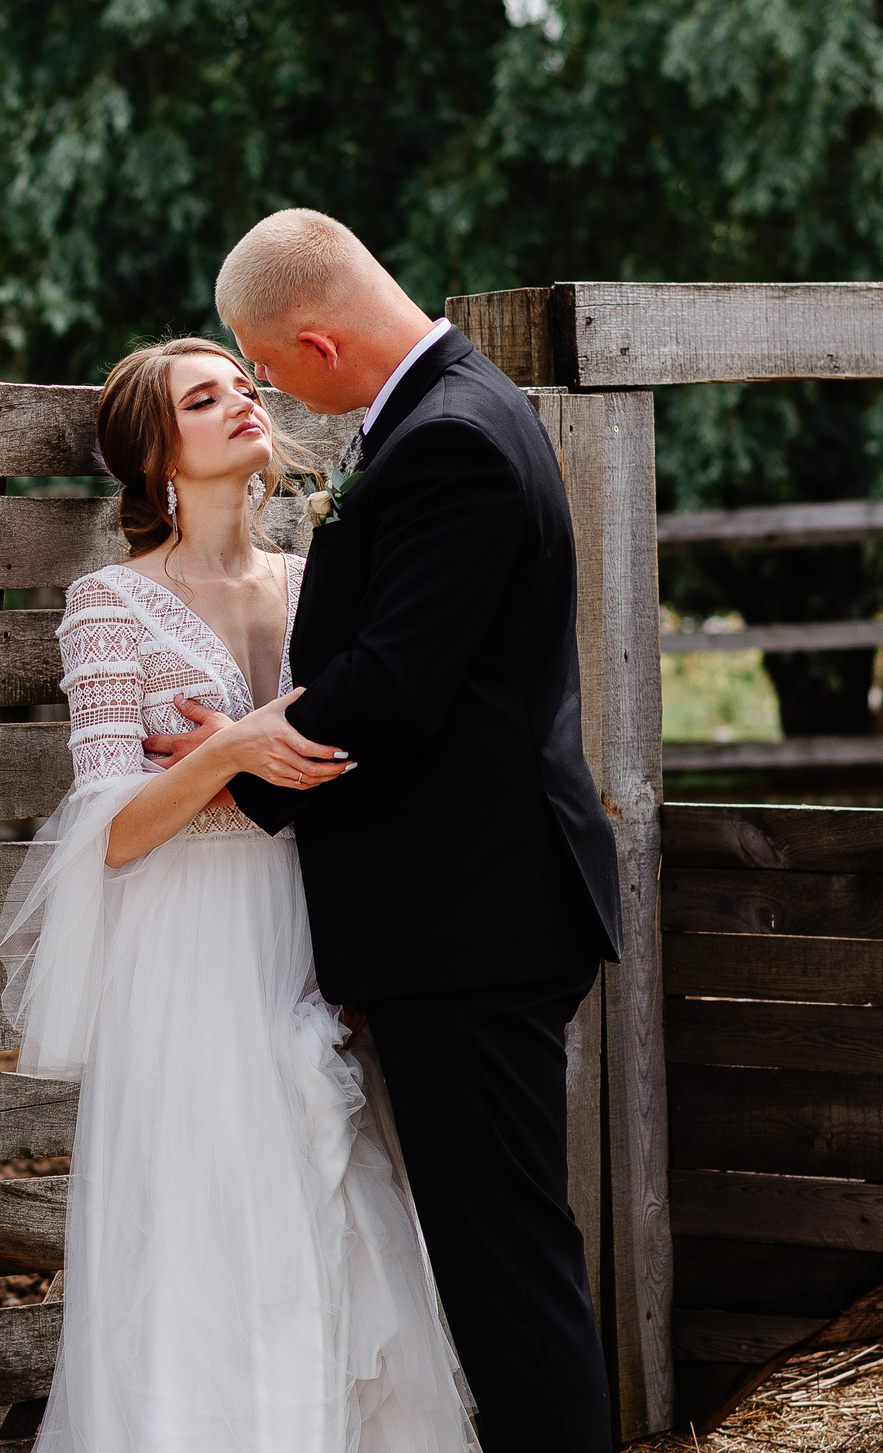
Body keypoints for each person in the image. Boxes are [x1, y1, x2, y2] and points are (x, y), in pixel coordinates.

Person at [152, 209, 624, 1453]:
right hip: (462, 916)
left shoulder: (450, 440)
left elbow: (392, 686)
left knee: (507, 1277)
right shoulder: (449, 412)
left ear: (313, 338)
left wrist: (222, 767)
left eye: (263, 364)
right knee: (498, 1259)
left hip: (470, 924)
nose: (266, 390)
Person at [0, 334, 475, 1453]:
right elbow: (110, 829)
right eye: (202, 397)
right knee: (214, 1225)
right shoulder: (109, 605)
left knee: (335, 1207)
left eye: (244, 385)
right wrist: (233, 752)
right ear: (157, 453)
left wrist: (245, 754)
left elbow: (371, 757)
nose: (241, 402)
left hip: (313, 922)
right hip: (188, 951)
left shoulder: (319, 580)